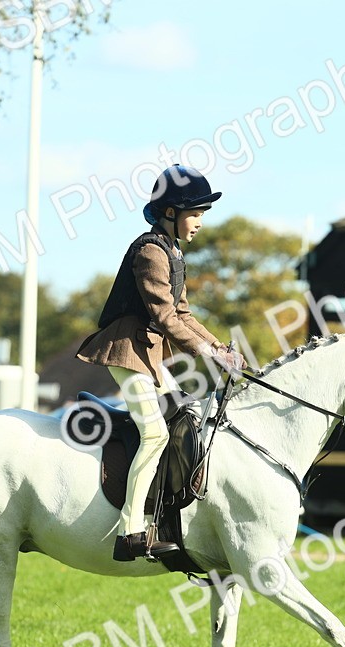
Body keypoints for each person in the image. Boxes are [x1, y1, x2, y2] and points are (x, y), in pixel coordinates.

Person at [76, 164, 244, 562]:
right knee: (154, 434)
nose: (200, 222)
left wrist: (218, 347)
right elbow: (165, 317)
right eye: (195, 213)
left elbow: (183, 314)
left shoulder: (173, 253)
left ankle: (167, 515)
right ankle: (130, 531)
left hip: (147, 352)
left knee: (183, 417)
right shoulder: (151, 252)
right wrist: (207, 354)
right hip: (125, 349)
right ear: (171, 212)